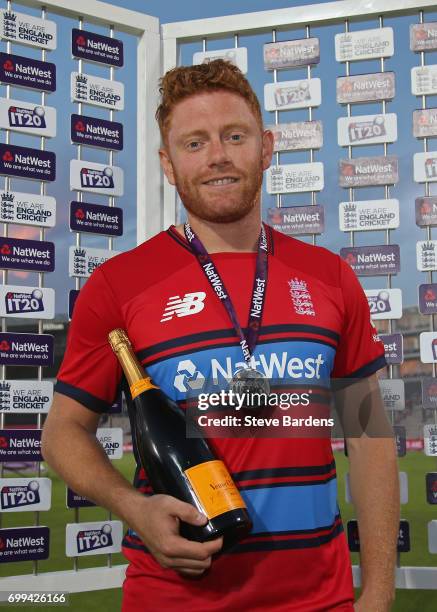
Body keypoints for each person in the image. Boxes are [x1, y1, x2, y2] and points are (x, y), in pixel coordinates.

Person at [42, 60, 399, 611]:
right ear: (167, 162)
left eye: (235, 135)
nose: (218, 156)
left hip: (318, 599)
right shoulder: (119, 284)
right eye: (194, 142)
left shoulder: (330, 276)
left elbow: (370, 439)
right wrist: (132, 508)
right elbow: (63, 431)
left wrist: (376, 593)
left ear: (266, 146)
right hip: (172, 598)